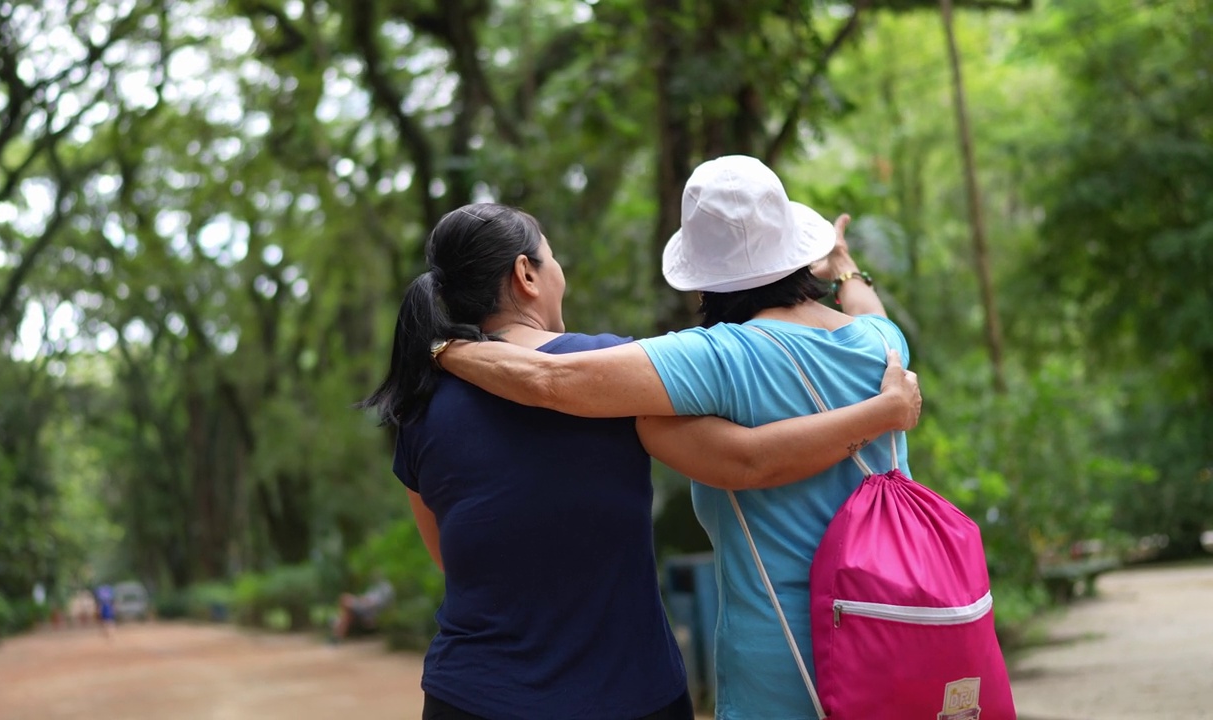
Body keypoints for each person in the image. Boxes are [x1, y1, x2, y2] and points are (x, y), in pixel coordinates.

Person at [361, 199, 919, 720]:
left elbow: (444, 554)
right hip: (626, 691)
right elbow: (744, 461)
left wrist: (442, 351)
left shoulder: (418, 408)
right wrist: (881, 408)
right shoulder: (613, 373)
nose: (561, 276)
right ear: (526, 275)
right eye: (553, 260)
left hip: (471, 695)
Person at [329, 579, 394, 643]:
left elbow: (374, 603)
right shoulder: (374, 587)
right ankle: (337, 636)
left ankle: (338, 626)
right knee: (348, 614)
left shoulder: (385, 589)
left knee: (344, 598)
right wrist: (362, 599)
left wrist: (363, 601)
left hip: (368, 611)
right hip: (363, 607)